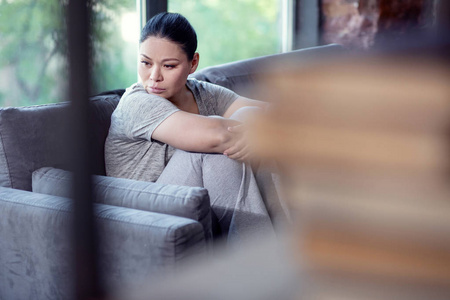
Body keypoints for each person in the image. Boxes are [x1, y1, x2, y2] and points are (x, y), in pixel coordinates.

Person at [105, 12, 287, 244]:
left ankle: (293, 246)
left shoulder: (202, 92)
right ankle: (263, 258)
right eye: (145, 63)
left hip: (189, 200)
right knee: (215, 154)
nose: (154, 77)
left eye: (169, 66)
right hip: (144, 211)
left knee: (254, 123)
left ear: (193, 64)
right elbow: (217, 137)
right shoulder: (137, 103)